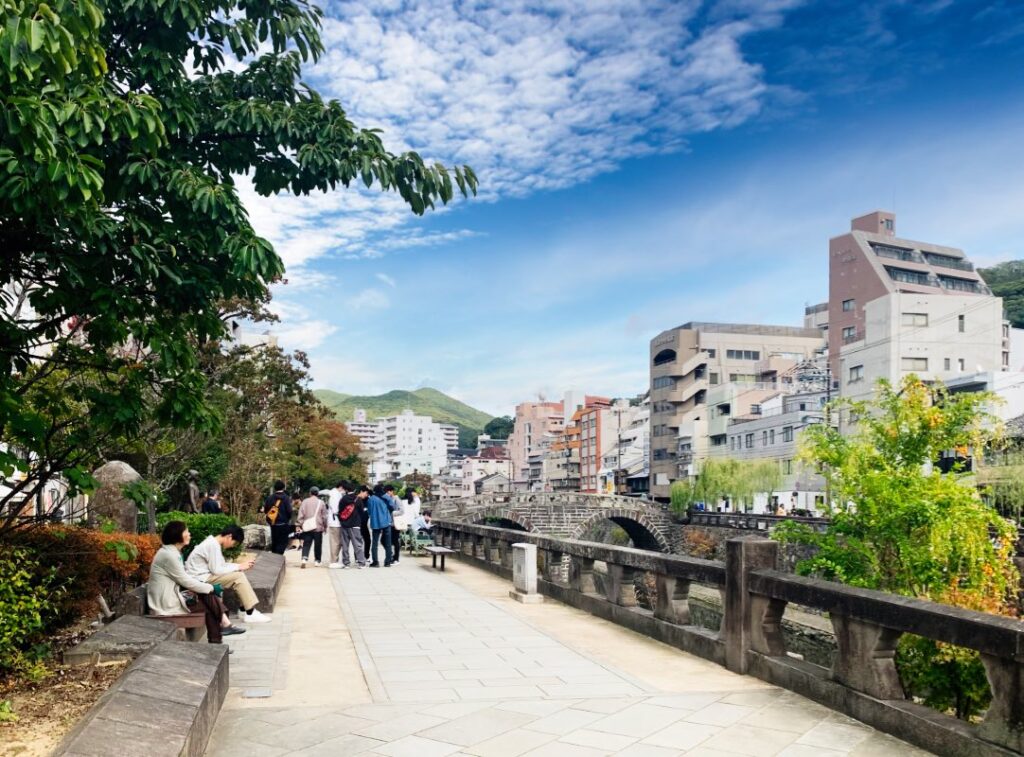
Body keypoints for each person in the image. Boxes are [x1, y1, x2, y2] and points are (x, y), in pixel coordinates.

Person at [148, 520, 245, 645]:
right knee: (208, 596)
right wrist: (210, 587)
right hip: (166, 603)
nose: (189, 534)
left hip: (174, 596)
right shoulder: (169, 555)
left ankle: (219, 637)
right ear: (177, 535)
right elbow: (185, 581)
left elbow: (185, 580)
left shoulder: (172, 552)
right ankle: (224, 626)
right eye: (186, 532)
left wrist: (208, 587)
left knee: (208, 600)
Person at [185, 524, 270, 623]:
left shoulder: (213, 543)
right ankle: (250, 612)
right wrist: (239, 566)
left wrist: (239, 566)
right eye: (234, 543)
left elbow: (221, 566)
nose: (233, 546)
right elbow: (217, 570)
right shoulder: (212, 545)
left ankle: (244, 609)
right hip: (200, 579)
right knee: (238, 577)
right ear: (229, 537)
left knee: (238, 574)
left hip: (202, 576)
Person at [337, 485, 368, 568]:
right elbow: (362, 513)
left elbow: (339, 511)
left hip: (344, 525)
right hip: (355, 526)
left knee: (345, 545)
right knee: (357, 545)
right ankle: (361, 563)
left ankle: (346, 563)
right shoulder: (358, 500)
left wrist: (342, 521)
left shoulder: (343, 499)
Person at [297, 486, 327, 568]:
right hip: (318, 527)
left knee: (306, 543)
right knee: (318, 544)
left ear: (310, 493)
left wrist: (301, 524)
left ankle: (304, 558)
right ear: (318, 494)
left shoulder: (305, 502)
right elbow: (324, 516)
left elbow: (300, 514)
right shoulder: (321, 503)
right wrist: (325, 526)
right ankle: (317, 561)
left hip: (307, 527)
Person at [367, 484, 394, 567]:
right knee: (388, 543)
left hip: (376, 523)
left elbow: (369, 512)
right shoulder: (387, 497)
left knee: (375, 543)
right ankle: (387, 562)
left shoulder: (371, 499)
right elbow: (392, 507)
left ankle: (375, 562)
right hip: (386, 522)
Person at [261, 481, 292, 555]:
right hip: (283, 524)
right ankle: (278, 555)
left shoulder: (270, 498)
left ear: (275, 488)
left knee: (274, 541)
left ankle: (275, 556)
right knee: (283, 542)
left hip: (273, 524)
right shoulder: (286, 498)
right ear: (283, 488)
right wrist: (288, 519)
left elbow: (266, 510)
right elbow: (289, 511)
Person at [326, 480, 348, 568]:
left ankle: (334, 560)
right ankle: (333, 561)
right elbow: (336, 510)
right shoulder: (335, 495)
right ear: (341, 487)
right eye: (344, 489)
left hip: (335, 521)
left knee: (336, 542)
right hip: (335, 522)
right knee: (335, 542)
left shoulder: (335, 494)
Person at [383, 484, 405, 564]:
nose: (387, 494)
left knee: (395, 541)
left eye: (388, 492)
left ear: (392, 491)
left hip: (395, 523)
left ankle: (396, 558)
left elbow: (402, 511)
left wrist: (392, 513)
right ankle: (391, 555)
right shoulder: (387, 499)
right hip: (389, 523)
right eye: (386, 492)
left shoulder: (396, 499)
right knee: (385, 541)